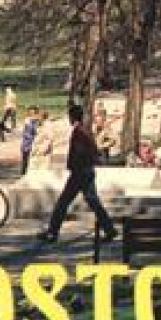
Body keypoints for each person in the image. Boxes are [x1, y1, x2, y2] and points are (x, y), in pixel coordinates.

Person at [41, 103, 117, 244]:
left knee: (63, 203)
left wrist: (73, 166)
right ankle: (110, 229)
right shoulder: (85, 130)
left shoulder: (78, 132)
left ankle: (52, 233)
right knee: (94, 202)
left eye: (69, 116)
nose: (69, 119)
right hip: (87, 171)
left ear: (72, 117)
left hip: (79, 173)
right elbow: (93, 150)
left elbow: (79, 153)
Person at [18, 106, 43, 175]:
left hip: (34, 145)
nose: (31, 115)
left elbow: (37, 132)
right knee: (25, 161)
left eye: (33, 113)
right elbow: (26, 133)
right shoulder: (28, 121)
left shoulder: (36, 122)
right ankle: (23, 175)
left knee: (33, 162)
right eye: (30, 113)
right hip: (26, 144)